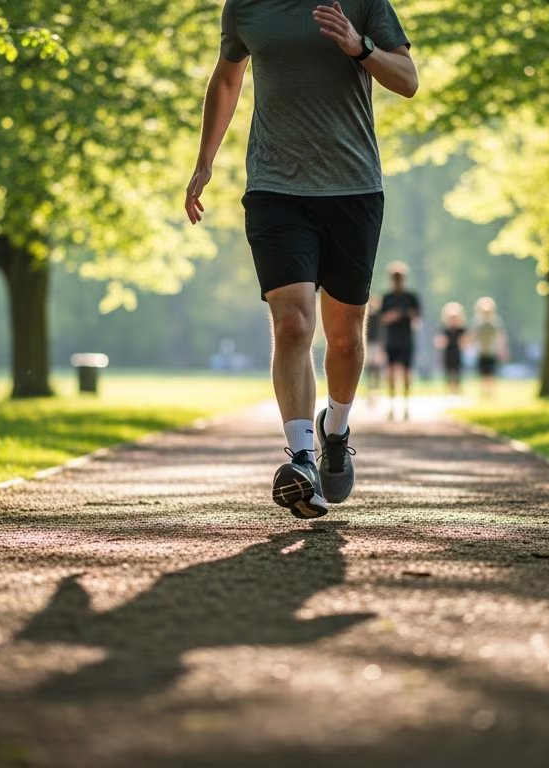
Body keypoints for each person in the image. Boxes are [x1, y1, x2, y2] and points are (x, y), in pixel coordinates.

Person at [184, 0, 417, 519]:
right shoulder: (244, 7)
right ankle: (302, 459)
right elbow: (226, 79)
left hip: (352, 188)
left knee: (344, 334)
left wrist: (361, 48)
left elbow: (407, 79)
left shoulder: (363, 2)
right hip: (275, 188)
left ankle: (335, 429)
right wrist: (204, 162)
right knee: (292, 324)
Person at [379, 261, 420, 420]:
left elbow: (417, 317)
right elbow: (383, 318)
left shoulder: (411, 297)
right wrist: (394, 315)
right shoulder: (387, 297)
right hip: (391, 340)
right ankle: (391, 405)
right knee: (390, 374)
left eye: (400, 278)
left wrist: (406, 314)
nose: (397, 281)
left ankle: (406, 406)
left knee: (407, 373)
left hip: (407, 339)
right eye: (395, 278)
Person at [472, 297, 507, 398]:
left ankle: (491, 391)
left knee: (491, 372)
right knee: (483, 373)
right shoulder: (477, 323)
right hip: (481, 352)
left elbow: (500, 337)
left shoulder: (495, 323)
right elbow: (473, 336)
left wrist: (502, 349)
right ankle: (484, 391)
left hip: (491, 352)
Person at [435, 301, 466, 395]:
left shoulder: (461, 330)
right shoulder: (444, 329)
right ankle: (449, 390)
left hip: (457, 353)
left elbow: (465, 342)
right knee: (448, 372)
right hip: (447, 353)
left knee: (457, 372)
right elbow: (439, 342)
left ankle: (457, 389)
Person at [364, 294, 385, 401]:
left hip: (376, 344)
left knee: (376, 366)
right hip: (368, 344)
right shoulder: (367, 316)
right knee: (370, 367)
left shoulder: (378, 317)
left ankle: (376, 388)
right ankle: (370, 388)